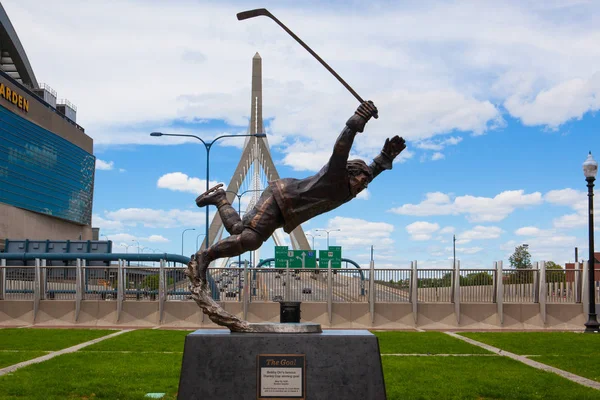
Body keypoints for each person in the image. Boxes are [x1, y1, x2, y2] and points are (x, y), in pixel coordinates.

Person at [187, 101, 406, 287]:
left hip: (287, 211)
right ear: (351, 173)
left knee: (239, 230)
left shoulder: (350, 190)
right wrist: (359, 119)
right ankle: (204, 256)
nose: (364, 186)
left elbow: (373, 171)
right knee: (250, 239)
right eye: (362, 180)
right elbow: (341, 147)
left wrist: (385, 157)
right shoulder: (335, 175)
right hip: (282, 196)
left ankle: (220, 199)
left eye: (365, 184)